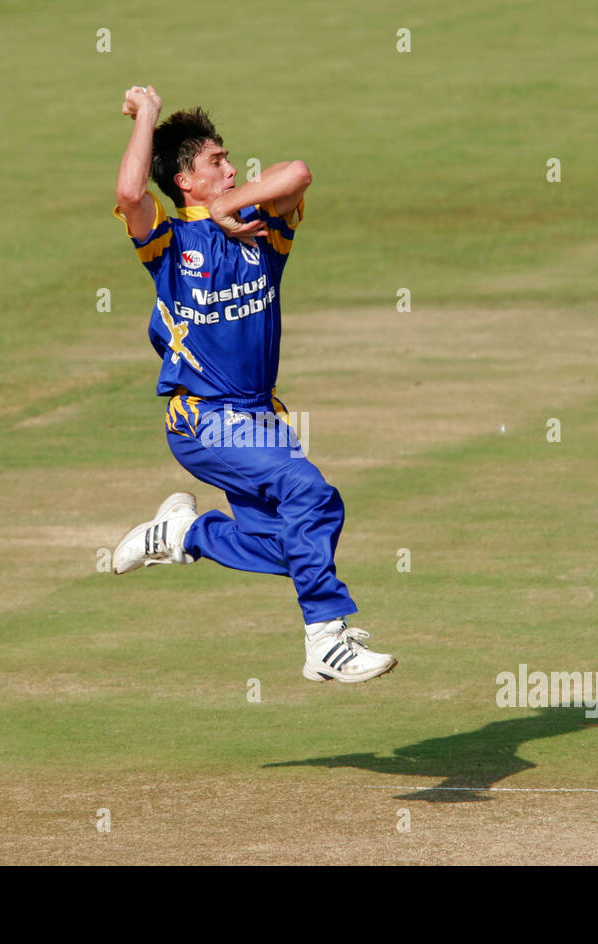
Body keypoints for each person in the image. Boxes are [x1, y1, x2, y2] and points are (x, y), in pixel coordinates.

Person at [109, 85, 396, 685]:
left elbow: (299, 172)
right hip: (202, 418)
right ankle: (325, 637)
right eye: (217, 162)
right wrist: (150, 118)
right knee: (311, 494)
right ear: (186, 180)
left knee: (292, 546)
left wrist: (228, 204)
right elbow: (130, 193)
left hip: (258, 418)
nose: (234, 168)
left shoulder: (261, 229)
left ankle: (186, 534)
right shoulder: (168, 243)